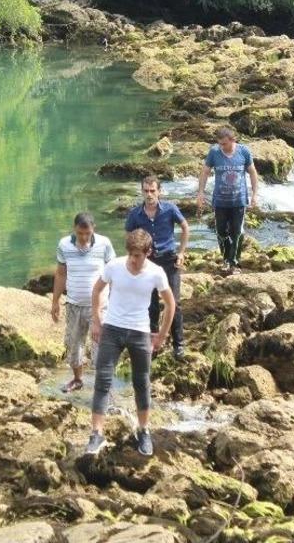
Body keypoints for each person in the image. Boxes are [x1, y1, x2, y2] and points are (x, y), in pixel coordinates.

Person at [84, 229, 176, 457]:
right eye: (131, 255)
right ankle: (96, 433)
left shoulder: (157, 273)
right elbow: (96, 291)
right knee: (102, 380)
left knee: (141, 383)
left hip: (140, 331)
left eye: (138, 256)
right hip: (112, 329)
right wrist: (96, 321)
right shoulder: (114, 266)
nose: (133, 260)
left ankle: (144, 431)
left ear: (148, 253)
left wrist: (162, 335)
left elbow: (170, 304)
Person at [124, 175, 189, 359]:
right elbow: (129, 237)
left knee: (174, 303)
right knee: (150, 304)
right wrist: (133, 260)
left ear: (159, 191)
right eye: (146, 191)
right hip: (149, 262)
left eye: (153, 190)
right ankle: (152, 344)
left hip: (170, 261)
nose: (149, 194)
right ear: (142, 192)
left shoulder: (169, 209)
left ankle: (179, 345)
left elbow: (185, 227)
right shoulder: (135, 214)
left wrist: (182, 252)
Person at [51, 212, 116, 393]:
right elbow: (61, 274)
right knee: (73, 344)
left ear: (93, 229)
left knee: (100, 346)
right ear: (75, 230)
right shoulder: (64, 245)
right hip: (73, 304)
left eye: (87, 233)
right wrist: (55, 301)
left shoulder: (104, 244)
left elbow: (113, 274)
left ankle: (104, 386)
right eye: (80, 233)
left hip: (100, 306)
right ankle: (78, 379)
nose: (84, 237)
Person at [196, 127, 259, 274]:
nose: (221, 146)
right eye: (219, 143)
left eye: (224, 144)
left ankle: (234, 263)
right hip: (220, 201)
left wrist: (255, 194)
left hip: (239, 201)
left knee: (236, 232)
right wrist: (200, 193)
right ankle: (226, 259)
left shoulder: (244, 151)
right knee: (221, 231)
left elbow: (252, 173)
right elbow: (205, 172)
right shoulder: (214, 152)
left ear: (233, 140)